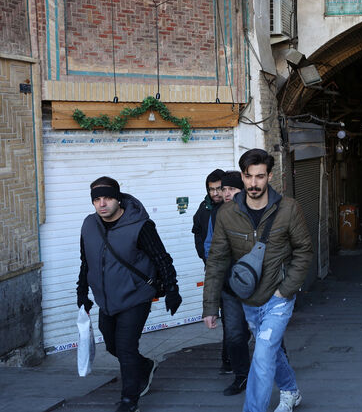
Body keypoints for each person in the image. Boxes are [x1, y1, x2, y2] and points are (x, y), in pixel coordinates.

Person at [203, 149, 314, 412]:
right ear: (242, 176)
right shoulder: (227, 214)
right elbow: (217, 259)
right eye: (248, 176)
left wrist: (286, 290)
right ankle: (290, 392)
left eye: (260, 177)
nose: (253, 184)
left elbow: (304, 250)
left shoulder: (288, 209)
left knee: (262, 357)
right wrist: (209, 306)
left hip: (278, 297)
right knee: (271, 352)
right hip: (247, 299)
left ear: (270, 176)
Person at [77, 176, 182, 412]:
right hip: (106, 300)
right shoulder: (88, 225)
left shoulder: (140, 225)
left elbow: (161, 258)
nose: (102, 204)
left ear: (118, 199)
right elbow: (86, 262)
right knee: (113, 346)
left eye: (107, 198)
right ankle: (144, 366)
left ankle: (129, 400)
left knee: (125, 347)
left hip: (136, 296)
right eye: (97, 199)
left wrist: (172, 289)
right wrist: (82, 292)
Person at [192, 168, 251, 394]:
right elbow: (211, 252)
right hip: (229, 286)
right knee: (235, 334)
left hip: (259, 287)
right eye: (223, 189)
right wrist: (209, 306)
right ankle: (241, 376)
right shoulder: (217, 214)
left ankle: (279, 371)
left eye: (231, 189)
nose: (226, 193)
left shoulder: (257, 211)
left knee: (267, 334)